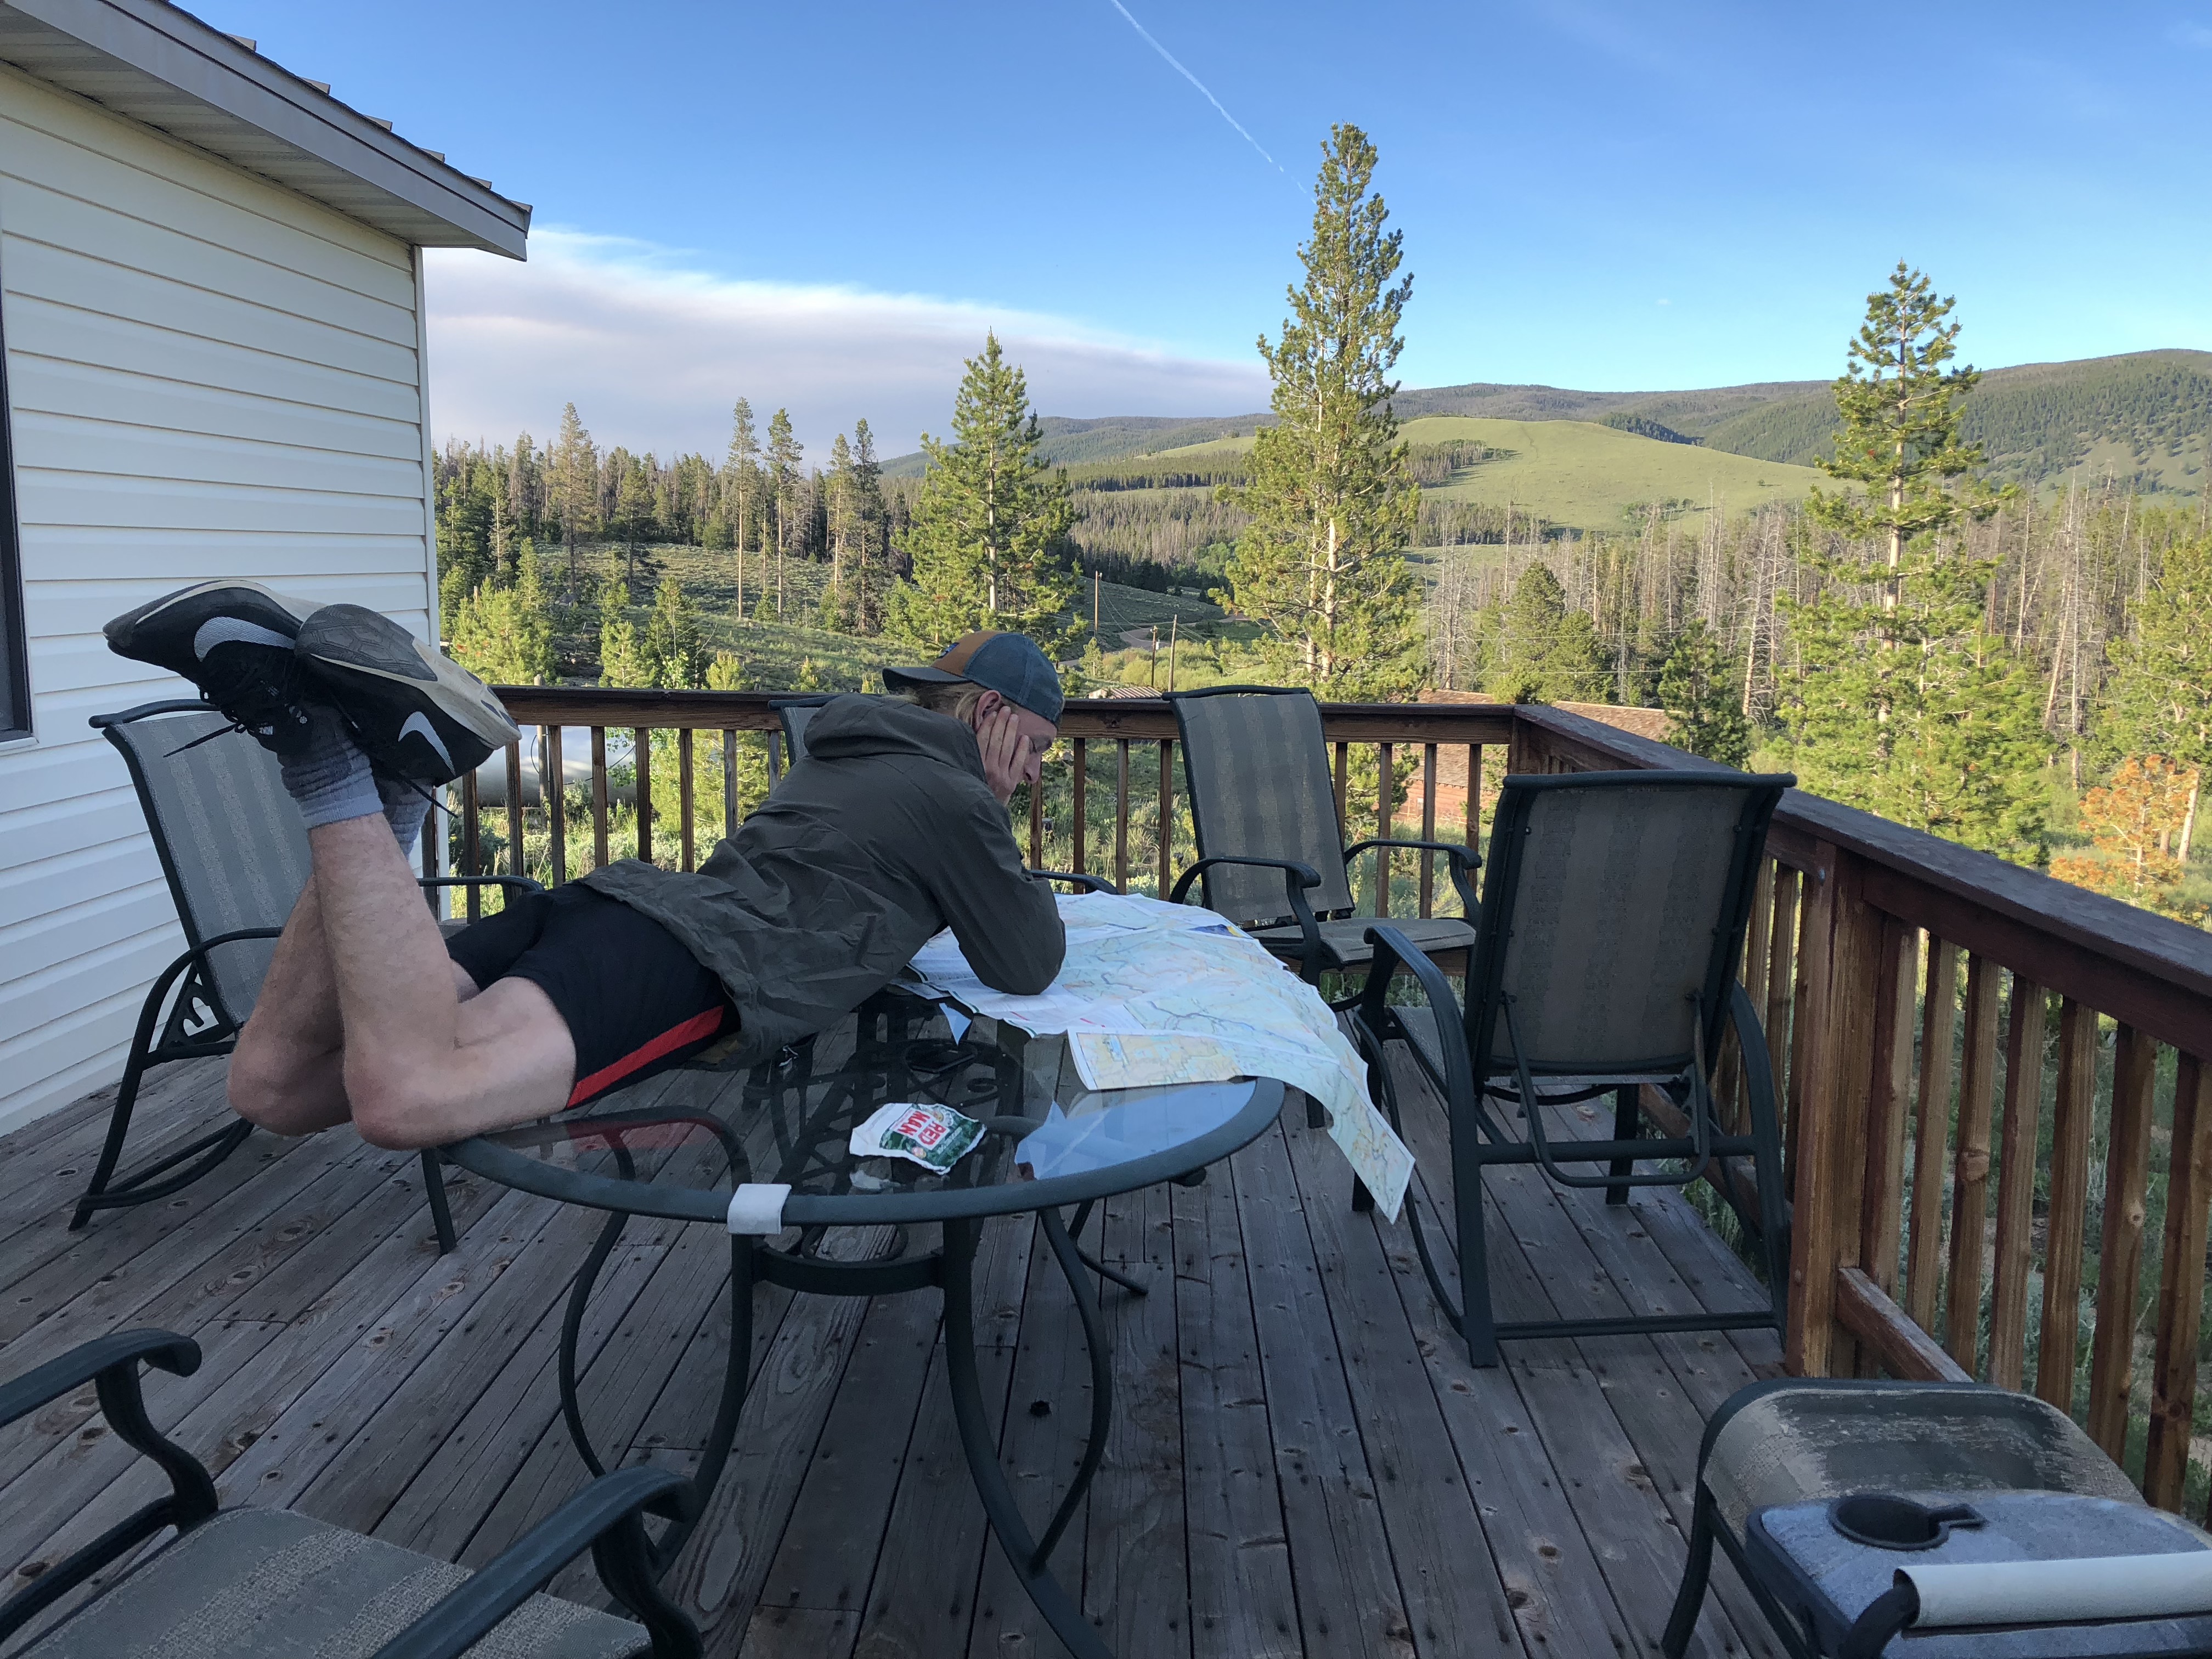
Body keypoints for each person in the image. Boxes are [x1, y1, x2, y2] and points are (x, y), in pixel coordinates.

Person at [104, 580, 1067, 1151]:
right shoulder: (955, 799)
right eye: (1036, 748)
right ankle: (321, 758)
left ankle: (391, 785)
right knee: (411, 1094)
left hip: (607, 909)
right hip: (698, 959)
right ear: (988, 717)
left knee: (272, 1088)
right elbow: (1027, 960)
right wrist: (993, 810)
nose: (1034, 774)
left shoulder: (845, 749)